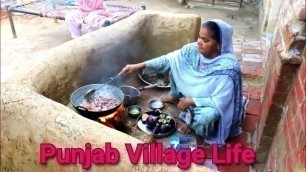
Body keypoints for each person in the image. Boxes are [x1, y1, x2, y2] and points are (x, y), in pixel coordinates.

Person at [119, 19, 243, 146]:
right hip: (191, 93)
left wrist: (190, 101)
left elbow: (222, 100)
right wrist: (137, 66)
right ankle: (175, 97)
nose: (199, 42)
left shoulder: (228, 67)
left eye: (205, 40)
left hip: (210, 102)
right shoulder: (191, 51)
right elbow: (167, 61)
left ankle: (193, 124)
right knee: (176, 64)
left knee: (208, 117)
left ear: (219, 44)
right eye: (199, 37)